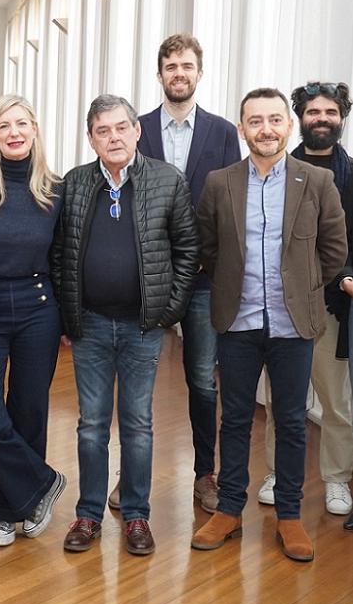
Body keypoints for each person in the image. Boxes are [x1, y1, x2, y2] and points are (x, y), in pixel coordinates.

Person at [192, 88, 347, 562]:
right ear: (242, 128)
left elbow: (334, 251)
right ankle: (230, 510)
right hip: (237, 323)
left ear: (288, 125)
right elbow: (207, 247)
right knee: (236, 419)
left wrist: (302, 287)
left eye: (274, 119)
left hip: (293, 324)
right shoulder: (220, 183)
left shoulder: (316, 181)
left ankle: (289, 515)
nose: (266, 129)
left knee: (292, 420)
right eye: (255, 121)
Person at [52, 94, 198, 556]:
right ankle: (88, 515)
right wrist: (69, 314)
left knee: (137, 424)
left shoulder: (167, 180)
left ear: (137, 131)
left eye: (121, 127)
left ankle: (136, 515)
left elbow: (188, 251)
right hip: (91, 326)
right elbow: (59, 254)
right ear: (90, 138)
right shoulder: (74, 183)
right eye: (103, 130)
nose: (113, 137)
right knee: (91, 425)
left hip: (142, 327)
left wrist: (167, 312)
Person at [135, 34, 240, 513]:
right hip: (146, 279)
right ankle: (131, 475)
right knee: (136, 382)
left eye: (187, 66)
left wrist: (203, 255)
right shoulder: (136, 129)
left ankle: (204, 473)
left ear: (200, 73)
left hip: (202, 279)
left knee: (202, 381)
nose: (179, 73)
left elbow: (230, 204)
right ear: (160, 74)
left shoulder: (222, 133)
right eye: (171, 66)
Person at [0, 95, 65, 548]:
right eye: (3, 126)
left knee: (29, 411)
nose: (14, 132)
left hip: (40, 309)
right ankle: (43, 482)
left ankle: (8, 512)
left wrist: (69, 321)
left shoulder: (56, 191)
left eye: (21, 123)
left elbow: (63, 258)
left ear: (34, 129)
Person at [257, 82, 353, 517]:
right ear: (300, 118)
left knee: (335, 401)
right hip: (283, 305)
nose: (322, 119)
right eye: (314, 112)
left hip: (333, 304)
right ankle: (277, 473)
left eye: (330, 112)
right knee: (282, 398)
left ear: (341, 118)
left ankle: (337, 479)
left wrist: (343, 276)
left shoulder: (350, 175)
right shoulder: (278, 171)